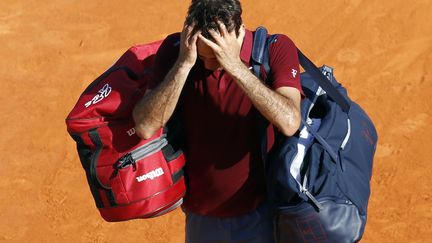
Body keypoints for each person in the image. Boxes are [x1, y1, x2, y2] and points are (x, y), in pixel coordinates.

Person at [133, 0, 303, 242]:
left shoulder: (275, 48)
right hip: (202, 220)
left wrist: (234, 65)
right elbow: (145, 126)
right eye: (204, 57)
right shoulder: (176, 51)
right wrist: (184, 64)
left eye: (217, 55)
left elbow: (289, 121)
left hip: (263, 215)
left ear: (239, 31)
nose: (211, 65)